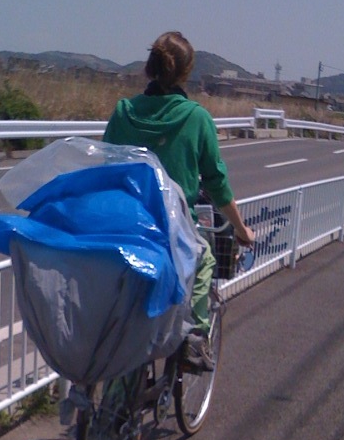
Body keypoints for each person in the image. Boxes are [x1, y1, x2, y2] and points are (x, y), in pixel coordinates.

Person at [103, 31, 255, 371]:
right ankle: (193, 339)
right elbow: (216, 184)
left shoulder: (124, 111)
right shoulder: (195, 117)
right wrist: (241, 227)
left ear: (150, 66)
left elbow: (105, 165)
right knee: (204, 260)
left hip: (123, 225)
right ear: (186, 74)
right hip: (171, 230)